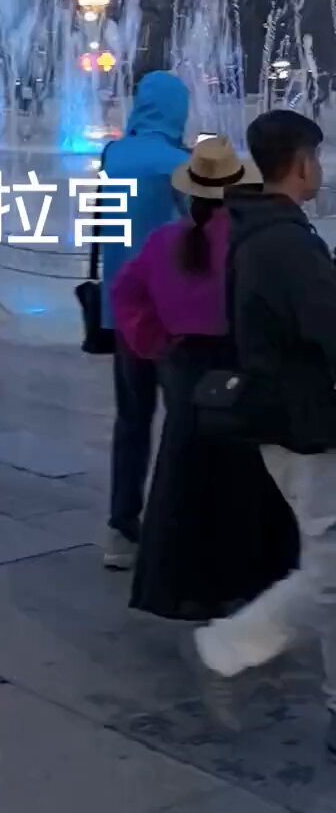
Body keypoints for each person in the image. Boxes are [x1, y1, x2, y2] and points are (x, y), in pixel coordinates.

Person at [193, 110, 336, 747]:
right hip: (307, 423)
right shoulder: (287, 243)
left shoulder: (258, 230)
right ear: (302, 163)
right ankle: (227, 647)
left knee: (330, 564)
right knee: (330, 571)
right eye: (317, 158)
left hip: (284, 417)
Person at [112, 135, 298, 621]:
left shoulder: (165, 241)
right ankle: (246, 581)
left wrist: (157, 341)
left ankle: (185, 587)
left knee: (183, 475)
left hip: (185, 366)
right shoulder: (253, 242)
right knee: (246, 478)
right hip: (241, 364)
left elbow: (125, 294)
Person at [100, 69, 189, 572]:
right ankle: (172, 528)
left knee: (131, 420)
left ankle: (120, 528)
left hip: (122, 311)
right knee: (182, 421)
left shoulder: (113, 155)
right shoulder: (178, 164)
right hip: (171, 315)